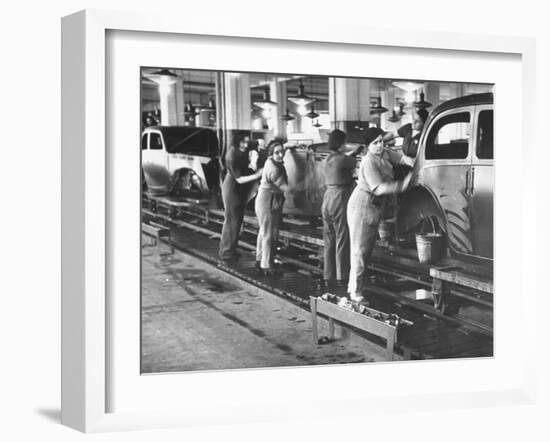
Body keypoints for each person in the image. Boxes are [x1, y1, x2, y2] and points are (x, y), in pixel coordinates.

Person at [347, 127, 414, 303]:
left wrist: (416, 166)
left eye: (381, 141)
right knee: (360, 250)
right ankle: (355, 292)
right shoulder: (369, 161)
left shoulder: (384, 153)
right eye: (375, 143)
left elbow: (402, 158)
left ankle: (355, 286)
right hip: (363, 204)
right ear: (367, 146)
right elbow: (379, 188)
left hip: (374, 206)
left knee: (366, 250)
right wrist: (402, 185)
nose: (379, 145)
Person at [320, 129, 357, 288]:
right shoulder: (343, 160)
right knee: (342, 236)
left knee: (329, 238)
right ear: (341, 143)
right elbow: (353, 161)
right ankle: (342, 276)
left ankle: (328, 276)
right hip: (339, 197)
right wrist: (359, 150)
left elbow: (346, 157)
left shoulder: (327, 159)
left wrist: (352, 152)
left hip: (327, 198)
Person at [219, 135, 263, 262]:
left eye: (246, 143)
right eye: (242, 143)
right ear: (236, 142)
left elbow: (256, 143)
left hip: (239, 190)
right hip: (232, 188)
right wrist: (257, 175)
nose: (245, 145)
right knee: (232, 220)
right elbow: (239, 179)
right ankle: (226, 252)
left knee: (237, 221)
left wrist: (260, 143)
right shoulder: (231, 155)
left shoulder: (241, 150)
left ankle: (231, 249)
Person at [254, 140, 288, 275]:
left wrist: (288, 146)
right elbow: (286, 188)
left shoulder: (270, 161)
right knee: (268, 233)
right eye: (277, 153)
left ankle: (259, 259)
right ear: (271, 154)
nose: (280, 155)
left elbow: (279, 149)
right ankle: (266, 265)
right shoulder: (273, 169)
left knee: (263, 231)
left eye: (282, 152)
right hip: (267, 200)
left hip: (267, 198)